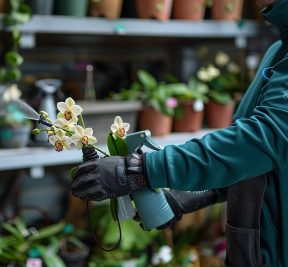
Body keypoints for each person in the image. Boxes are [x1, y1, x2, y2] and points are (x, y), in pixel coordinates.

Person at [70, 0, 288, 266]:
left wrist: (139, 170)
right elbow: (251, 160)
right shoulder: (277, 51)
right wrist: (198, 194)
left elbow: (262, 141)